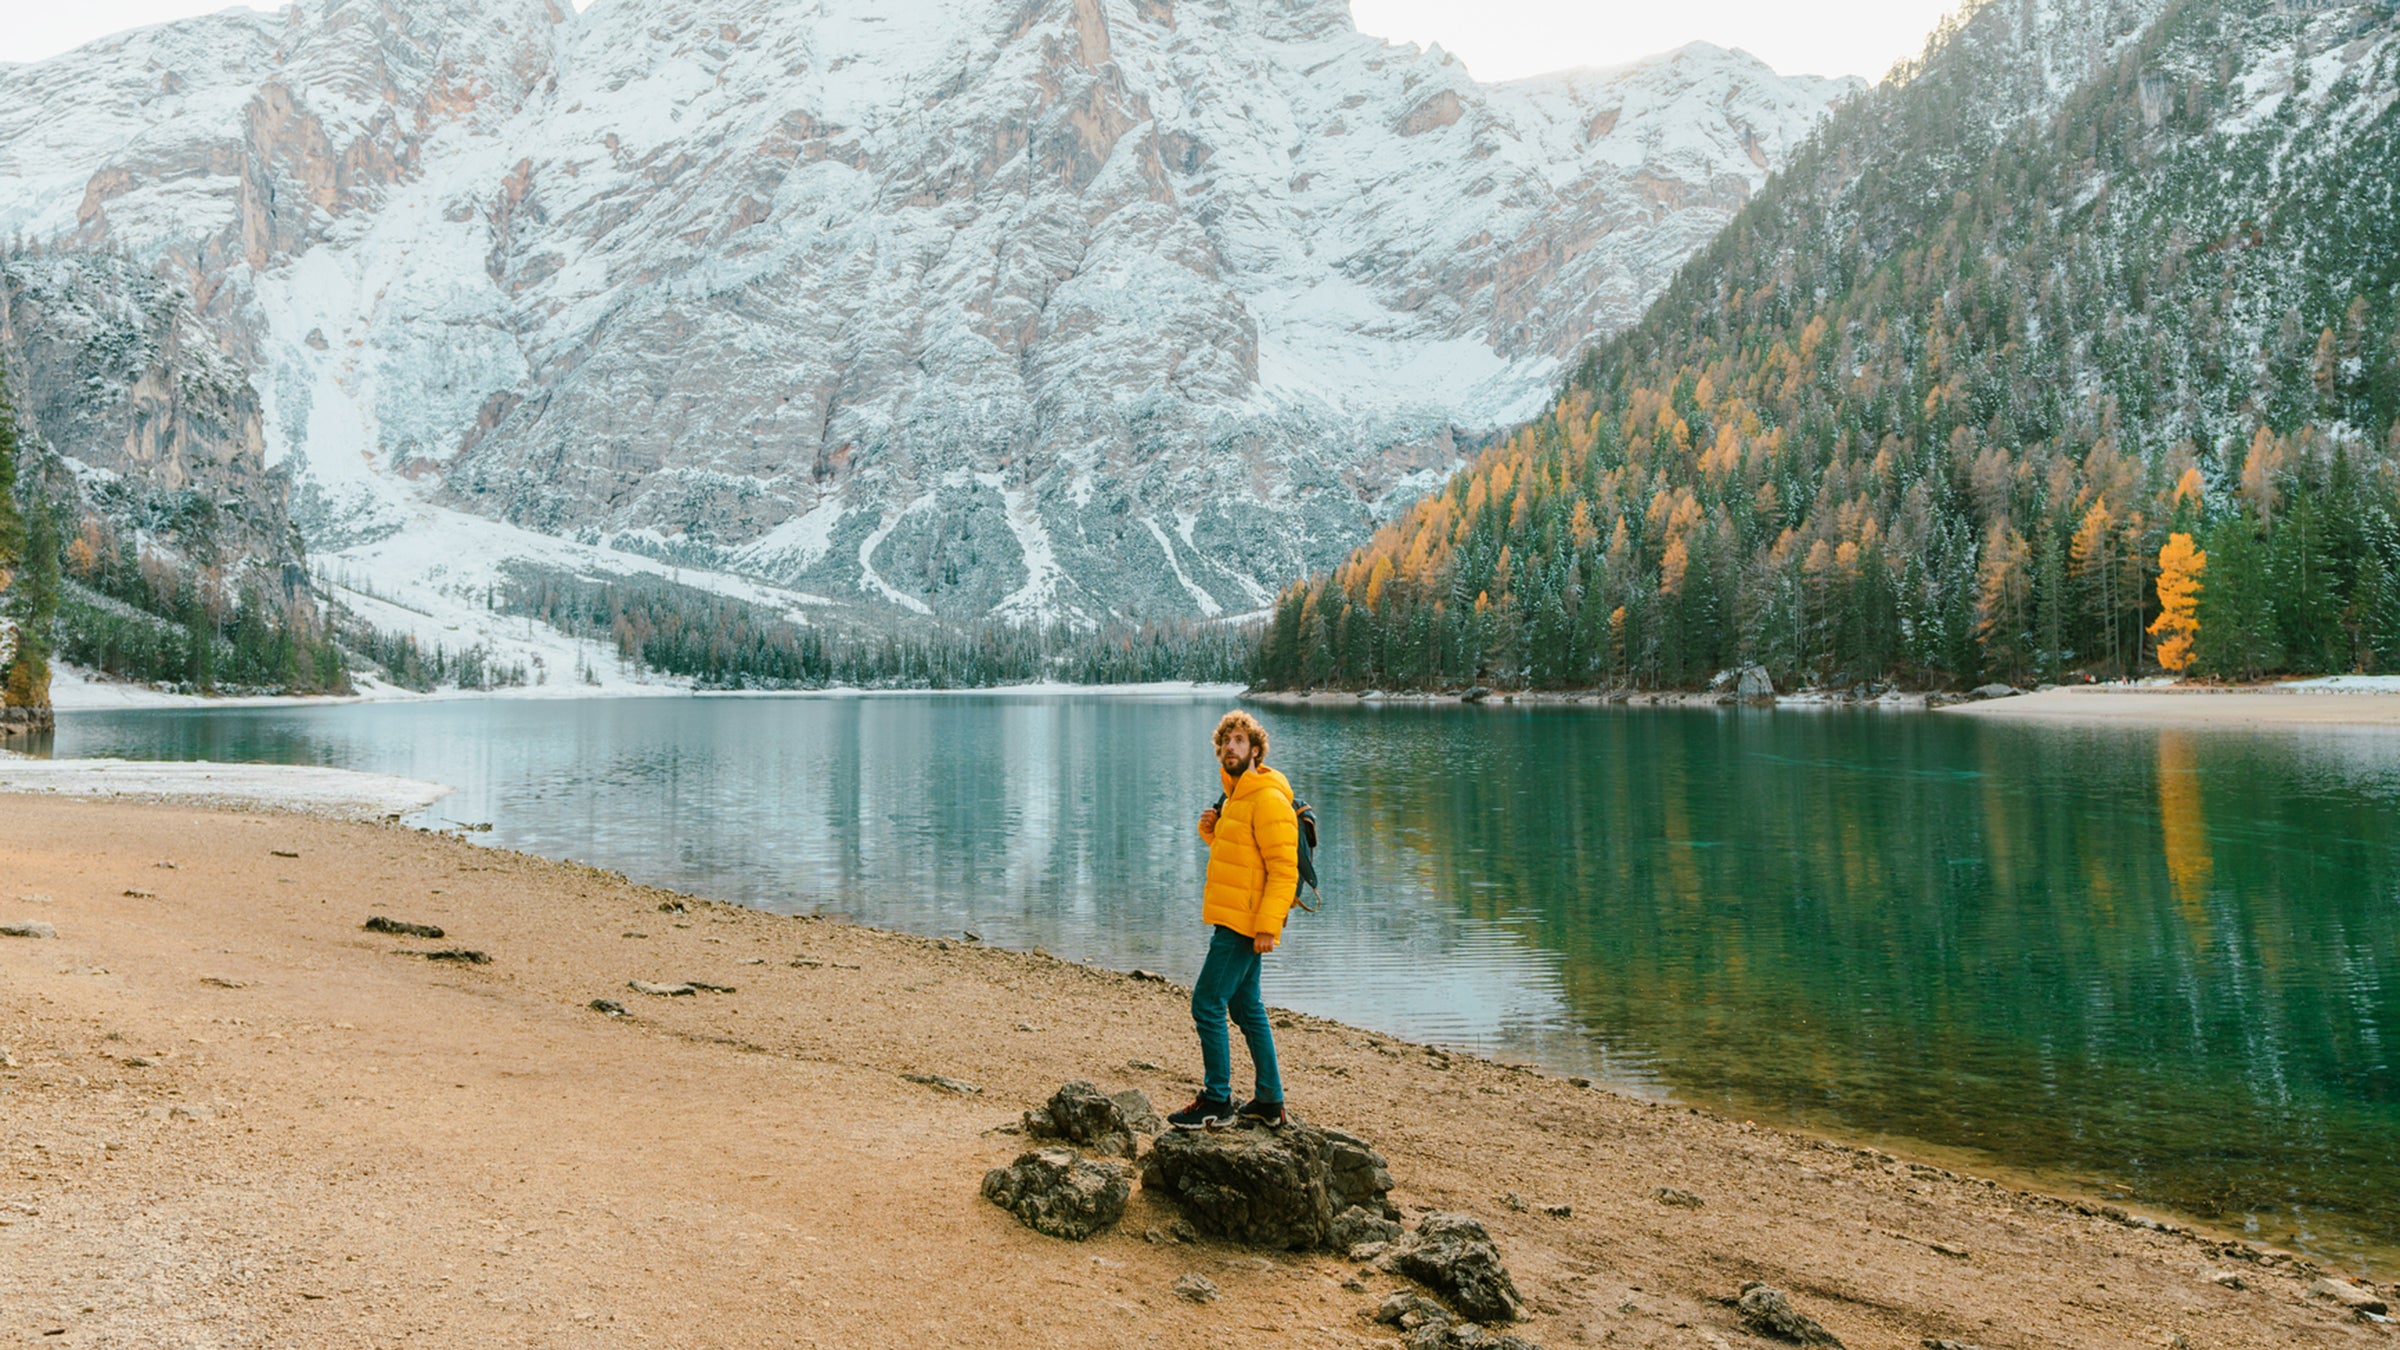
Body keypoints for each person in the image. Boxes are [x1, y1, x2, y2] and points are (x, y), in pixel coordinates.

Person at [1168, 709, 1298, 1130]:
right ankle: (1269, 1101)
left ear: (1256, 750)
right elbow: (1243, 860)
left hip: (1244, 924)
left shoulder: (1266, 797)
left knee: (1206, 1003)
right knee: (1247, 1009)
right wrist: (1212, 832)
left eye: (1240, 740)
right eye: (1226, 741)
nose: (1230, 747)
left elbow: (1283, 868)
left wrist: (1267, 926)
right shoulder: (1235, 798)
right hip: (1234, 917)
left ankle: (1217, 1100)